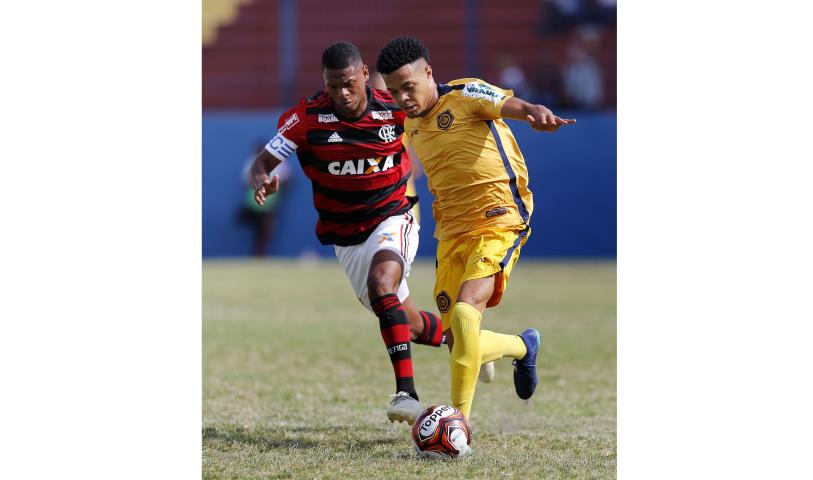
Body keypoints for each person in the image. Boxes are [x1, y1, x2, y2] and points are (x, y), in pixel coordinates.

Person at [377, 37, 576, 420]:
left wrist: (534, 111)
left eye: (409, 86)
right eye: (395, 90)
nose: (402, 97)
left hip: (499, 218)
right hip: (451, 233)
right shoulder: (407, 122)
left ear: (429, 73)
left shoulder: (466, 93)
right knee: (457, 340)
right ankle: (522, 346)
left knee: (467, 317)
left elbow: (507, 104)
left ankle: (458, 427)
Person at [249, 42, 444, 425]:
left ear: (365, 76)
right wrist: (262, 179)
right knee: (405, 319)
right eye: (333, 84)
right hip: (346, 236)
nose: (342, 92)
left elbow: (434, 118)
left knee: (381, 284)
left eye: (349, 83)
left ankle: (407, 393)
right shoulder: (306, 118)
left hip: (394, 215)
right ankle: (467, 342)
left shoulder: (393, 107)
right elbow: (263, 161)